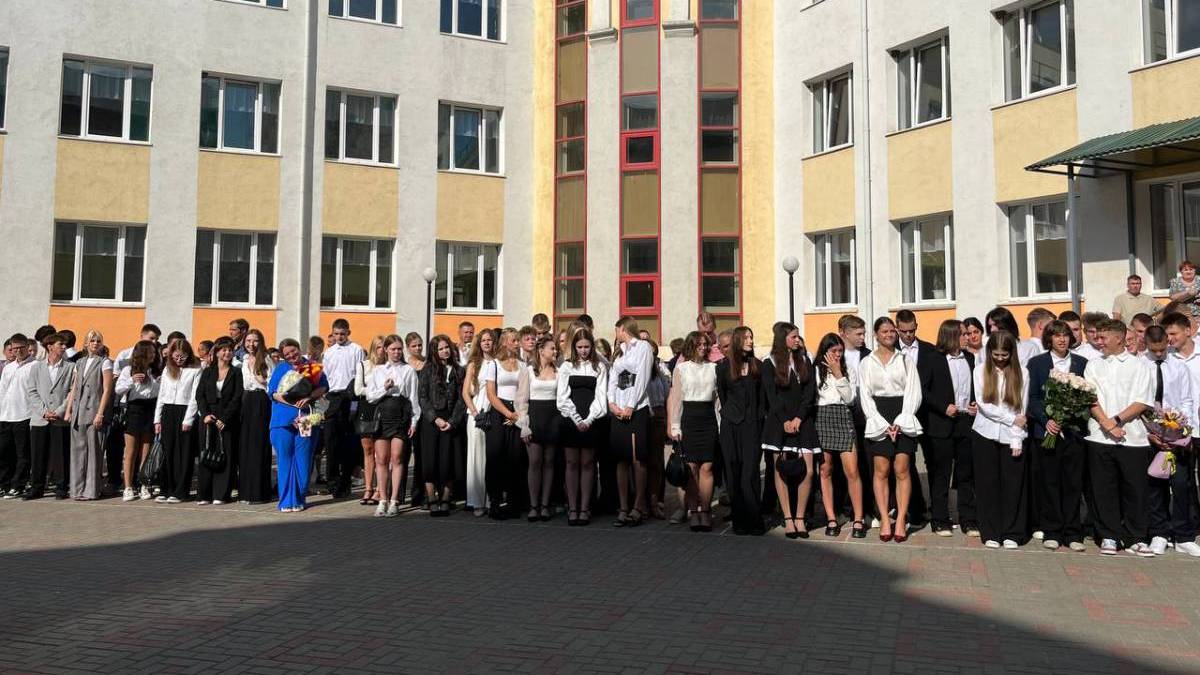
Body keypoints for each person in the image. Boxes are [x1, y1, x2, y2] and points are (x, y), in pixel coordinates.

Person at [1084, 318, 1155, 556]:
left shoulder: (1139, 366)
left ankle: (1136, 537)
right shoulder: (1094, 365)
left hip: (1132, 438)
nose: (1099, 341)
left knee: (1135, 489)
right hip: (1099, 437)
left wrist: (1116, 421)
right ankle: (1109, 535)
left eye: (1103, 337)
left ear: (1118, 338)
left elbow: (1142, 401)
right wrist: (1106, 424)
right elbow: (1090, 398)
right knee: (1103, 488)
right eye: (1097, 337)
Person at [1026, 320, 1089, 552]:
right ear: (1049, 339)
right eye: (1057, 335)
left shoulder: (1082, 363)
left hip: (1073, 433)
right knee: (1049, 482)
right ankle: (1052, 530)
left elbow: (1088, 395)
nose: (1062, 339)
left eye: (1065, 335)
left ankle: (1073, 532)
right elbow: (1032, 397)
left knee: (1073, 483)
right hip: (1048, 432)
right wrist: (1047, 419)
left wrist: (1071, 414)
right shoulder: (1037, 363)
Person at [858, 317, 922, 543]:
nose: (889, 335)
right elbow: (865, 395)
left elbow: (914, 391)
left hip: (903, 413)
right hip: (878, 416)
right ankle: (885, 518)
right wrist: (882, 423)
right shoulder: (867, 362)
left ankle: (901, 519)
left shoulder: (905, 360)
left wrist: (901, 421)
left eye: (892, 331)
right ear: (876, 335)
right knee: (881, 470)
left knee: (902, 469)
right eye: (884, 331)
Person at [1139, 324, 1195, 556]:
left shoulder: (1179, 367)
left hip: (1176, 435)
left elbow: (1186, 400)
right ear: (1146, 345)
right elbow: (1138, 402)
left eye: (1162, 349)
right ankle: (1159, 533)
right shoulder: (1140, 365)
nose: (1159, 354)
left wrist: (1181, 428)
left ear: (1167, 342)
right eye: (1154, 350)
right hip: (1150, 434)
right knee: (1155, 486)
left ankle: (1183, 536)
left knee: (1181, 484)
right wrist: (1150, 432)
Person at [918, 320, 978, 538]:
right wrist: (943, 407)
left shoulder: (969, 358)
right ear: (951, 335)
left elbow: (973, 387)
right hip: (941, 424)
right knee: (941, 474)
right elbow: (922, 390)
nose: (967, 338)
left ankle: (968, 519)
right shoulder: (932, 359)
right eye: (963, 334)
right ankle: (940, 519)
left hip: (965, 422)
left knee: (965, 474)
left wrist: (974, 403)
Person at [972, 331, 1030, 550]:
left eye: (1004, 355)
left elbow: (1021, 408)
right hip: (984, 434)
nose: (999, 359)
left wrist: (1016, 439)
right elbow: (983, 405)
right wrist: (1010, 419)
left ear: (1011, 353)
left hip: (1011, 436)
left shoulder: (1023, 372)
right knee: (988, 485)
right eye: (995, 355)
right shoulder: (980, 370)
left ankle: (1012, 533)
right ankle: (991, 532)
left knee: (1013, 486)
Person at [761, 323, 819, 539]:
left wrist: (799, 418)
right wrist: (785, 419)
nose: (797, 340)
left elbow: (809, 392)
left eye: (797, 336)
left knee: (808, 471)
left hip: (803, 421)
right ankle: (788, 518)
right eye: (793, 336)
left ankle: (800, 517)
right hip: (779, 423)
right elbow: (771, 395)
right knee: (781, 470)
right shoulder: (770, 363)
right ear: (782, 339)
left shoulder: (805, 360)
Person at [813, 333, 865, 538]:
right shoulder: (815, 370)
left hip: (843, 416)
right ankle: (831, 518)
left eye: (840, 351)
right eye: (833, 351)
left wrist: (838, 374)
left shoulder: (848, 369)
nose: (837, 355)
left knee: (852, 470)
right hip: (822, 417)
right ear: (824, 351)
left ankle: (858, 518)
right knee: (825, 469)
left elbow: (850, 398)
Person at [667, 332, 720, 533]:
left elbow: (717, 401)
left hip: (708, 419)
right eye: (699, 344)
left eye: (706, 344)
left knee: (707, 467)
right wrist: (675, 426)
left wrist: (720, 425)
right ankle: (693, 511)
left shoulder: (714, 368)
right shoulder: (681, 368)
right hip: (688, 418)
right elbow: (676, 399)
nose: (703, 347)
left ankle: (705, 510)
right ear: (691, 346)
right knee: (691, 468)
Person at [1157, 313, 1200, 557]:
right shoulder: (1167, 360)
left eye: (1173, 333)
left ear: (1188, 331)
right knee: (1182, 482)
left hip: (1198, 425)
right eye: (1167, 334)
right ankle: (1182, 529)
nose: (1170, 339)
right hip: (1178, 431)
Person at [269, 338, 329, 513]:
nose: (291, 355)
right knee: (285, 460)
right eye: (287, 354)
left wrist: (309, 398)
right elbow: (272, 393)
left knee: (303, 460)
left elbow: (324, 387)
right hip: (282, 420)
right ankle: (286, 501)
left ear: (298, 348)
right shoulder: (281, 368)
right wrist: (291, 402)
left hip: (307, 419)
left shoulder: (312, 366)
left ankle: (300, 498)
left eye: (293, 351)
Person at [716, 326, 765, 534]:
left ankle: (755, 520)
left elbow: (762, 400)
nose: (750, 341)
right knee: (733, 473)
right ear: (737, 341)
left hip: (752, 427)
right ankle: (739, 521)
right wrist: (730, 415)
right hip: (730, 427)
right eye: (746, 337)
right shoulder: (723, 368)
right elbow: (723, 396)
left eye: (751, 337)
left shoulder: (758, 366)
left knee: (749, 474)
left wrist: (757, 422)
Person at [557, 328, 607, 526]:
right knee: (571, 463)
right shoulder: (567, 366)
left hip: (591, 420)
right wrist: (577, 419)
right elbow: (562, 397)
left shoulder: (599, 367)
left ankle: (585, 508)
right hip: (571, 419)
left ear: (592, 346)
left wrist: (589, 419)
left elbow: (601, 396)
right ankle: (572, 507)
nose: (584, 350)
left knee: (588, 464)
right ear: (574, 347)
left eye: (587, 346)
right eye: (580, 347)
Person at [366, 334, 420, 517]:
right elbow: (370, 397)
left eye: (399, 349)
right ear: (386, 350)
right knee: (381, 459)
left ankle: (395, 500)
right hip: (383, 415)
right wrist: (385, 388)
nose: (396, 352)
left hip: (401, 414)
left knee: (397, 457)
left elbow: (413, 398)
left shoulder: (408, 370)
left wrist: (414, 421)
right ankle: (383, 499)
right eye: (393, 349)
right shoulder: (378, 370)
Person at [608, 317, 654, 527]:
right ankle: (623, 506)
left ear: (622, 328)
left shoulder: (642, 347)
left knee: (637, 459)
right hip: (618, 408)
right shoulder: (620, 351)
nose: (616, 333)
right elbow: (613, 378)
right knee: (621, 460)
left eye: (616, 329)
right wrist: (611, 403)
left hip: (636, 409)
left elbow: (642, 377)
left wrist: (631, 405)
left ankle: (638, 506)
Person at [417, 335, 465, 517]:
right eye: (441, 349)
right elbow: (422, 397)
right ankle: (431, 499)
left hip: (451, 420)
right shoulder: (428, 369)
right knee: (430, 461)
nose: (445, 351)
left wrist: (453, 421)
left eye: (447, 348)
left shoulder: (459, 370)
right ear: (434, 352)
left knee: (448, 461)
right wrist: (434, 418)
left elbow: (462, 399)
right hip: (432, 421)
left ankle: (445, 498)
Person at [23, 333, 75, 500]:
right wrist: (44, 411)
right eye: (60, 344)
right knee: (38, 455)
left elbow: (71, 392)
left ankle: (61, 487)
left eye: (65, 345)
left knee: (61, 455)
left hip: (60, 419)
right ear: (50, 346)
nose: (64, 347)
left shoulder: (70, 367)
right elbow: (32, 391)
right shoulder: (37, 367)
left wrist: (59, 411)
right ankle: (37, 488)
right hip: (40, 419)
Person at [894, 310, 933, 529]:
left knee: (932, 461)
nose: (908, 335)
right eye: (904, 331)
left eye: (912, 330)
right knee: (905, 462)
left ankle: (937, 507)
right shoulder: (889, 350)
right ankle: (915, 508)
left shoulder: (929, 350)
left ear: (916, 326)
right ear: (897, 328)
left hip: (927, 414)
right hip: (901, 414)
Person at [64, 330, 113, 500]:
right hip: (78, 412)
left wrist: (100, 413)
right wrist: (69, 410)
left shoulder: (104, 363)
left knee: (93, 453)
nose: (95, 343)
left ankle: (91, 491)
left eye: (98, 340)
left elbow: (107, 389)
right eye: (92, 340)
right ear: (86, 343)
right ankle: (77, 490)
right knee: (77, 452)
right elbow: (74, 388)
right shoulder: (79, 363)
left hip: (94, 411)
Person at [485, 328, 529, 519]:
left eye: (518, 341)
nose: (517, 344)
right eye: (514, 341)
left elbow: (524, 391)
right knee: (496, 457)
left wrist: (517, 414)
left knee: (516, 458)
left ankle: (513, 502)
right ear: (504, 342)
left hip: (518, 410)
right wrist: (507, 413)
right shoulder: (494, 364)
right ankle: (495, 501)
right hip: (499, 412)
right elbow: (491, 393)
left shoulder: (522, 365)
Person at [320, 319, 366, 499]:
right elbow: (325, 377)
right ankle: (332, 482)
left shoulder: (356, 350)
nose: (339, 337)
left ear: (348, 333)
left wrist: (356, 399)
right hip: (332, 397)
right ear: (332, 333)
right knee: (331, 441)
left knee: (348, 442)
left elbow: (360, 375)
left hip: (350, 397)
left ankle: (345, 482)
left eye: (342, 333)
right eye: (336, 333)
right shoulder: (328, 353)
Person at [517, 335, 560, 522]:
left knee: (549, 462)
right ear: (541, 351)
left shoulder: (559, 371)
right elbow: (521, 399)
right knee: (534, 462)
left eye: (556, 349)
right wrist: (524, 425)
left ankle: (545, 505)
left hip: (553, 418)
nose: (555, 351)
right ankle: (533, 505)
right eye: (552, 348)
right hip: (535, 417)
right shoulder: (528, 371)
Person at [154, 338, 202, 503]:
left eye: (183, 356)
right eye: (176, 356)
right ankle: (166, 488)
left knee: (184, 453)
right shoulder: (167, 370)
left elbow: (195, 397)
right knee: (168, 451)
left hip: (185, 411)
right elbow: (161, 395)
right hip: (168, 411)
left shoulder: (195, 370)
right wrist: (157, 420)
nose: (179, 359)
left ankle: (181, 491)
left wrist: (188, 419)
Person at [196, 338, 243, 505]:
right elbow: (199, 395)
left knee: (226, 455)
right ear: (216, 353)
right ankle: (204, 494)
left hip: (227, 417)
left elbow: (237, 397)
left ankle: (221, 494)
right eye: (224, 350)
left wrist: (225, 418)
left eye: (230, 350)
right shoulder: (208, 372)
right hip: (209, 417)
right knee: (207, 453)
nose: (227, 353)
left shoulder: (236, 372)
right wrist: (205, 414)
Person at [115, 341, 160, 501]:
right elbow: (118, 389)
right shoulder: (128, 370)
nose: (153, 355)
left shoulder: (156, 371)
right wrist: (132, 380)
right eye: (150, 352)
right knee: (131, 451)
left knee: (146, 451)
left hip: (151, 407)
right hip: (134, 408)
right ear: (142, 353)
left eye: (154, 352)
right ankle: (128, 486)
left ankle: (144, 484)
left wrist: (156, 381)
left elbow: (159, 392)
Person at [462, 329, 495, 516]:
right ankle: (476, 501)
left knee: (491, 458)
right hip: (476, 413)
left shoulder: (498, 362)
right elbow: (466, 392)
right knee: (476, 458)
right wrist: (475, 413)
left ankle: (491, 499)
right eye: (483, 340)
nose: (487, 343)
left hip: (494, 413)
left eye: (490, 340)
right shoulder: (474, 364)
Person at [238, 329, 273, 504]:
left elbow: (273, 385)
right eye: (248, 340)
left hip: (261, 400)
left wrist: (262, 381)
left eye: (255, 340)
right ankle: (245, 492)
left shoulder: (266, 359)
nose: (251, 344)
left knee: (258, 445)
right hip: (246, 400)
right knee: (245, 445)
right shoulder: (243, 360)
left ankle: (259, 492)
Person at [0, 335, 34, 499]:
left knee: (22, 454)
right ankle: (3, 484)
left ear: (27, 347)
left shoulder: (35, 366)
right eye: (15, 348)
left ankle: (18, 485)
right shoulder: (8, 367)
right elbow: (2, 391)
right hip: (5, 415)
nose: (18, 351)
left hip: (24, 415)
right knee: (4, 452)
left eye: (21, 347)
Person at [353, 335, 385, 506]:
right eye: (378, 347)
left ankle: (380, 488)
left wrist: (377, 391)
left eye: (383, 347)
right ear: (373, 348)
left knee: (381, 451)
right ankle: (368, 488)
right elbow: (358, 389)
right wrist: (377, 390)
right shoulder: (363, 365)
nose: (381, 350)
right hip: (366, 407)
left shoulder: (389, 366)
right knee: (367, 449)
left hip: (383, 407)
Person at [404, 331, 427, 506]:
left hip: (425, 413)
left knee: (421, 455)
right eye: (414, 346)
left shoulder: (428, 363)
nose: (418, 348)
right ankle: (398, 494)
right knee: (403, 455)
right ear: (408, 347)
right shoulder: (405, 366)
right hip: (407, 413)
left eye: (420, 345)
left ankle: (420, 493)